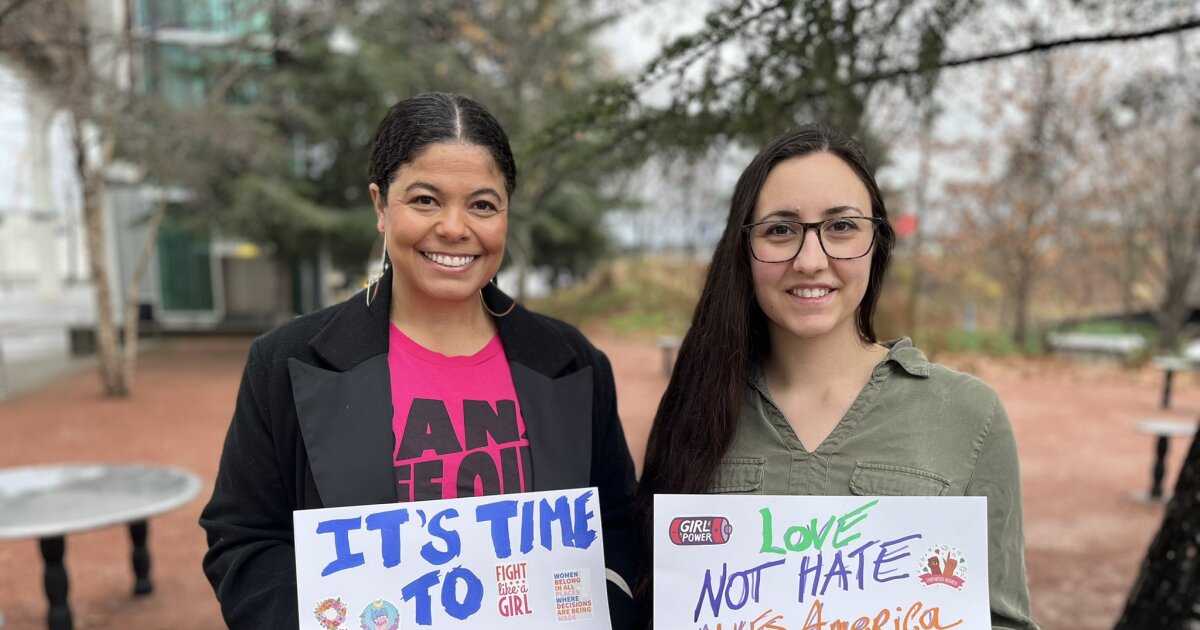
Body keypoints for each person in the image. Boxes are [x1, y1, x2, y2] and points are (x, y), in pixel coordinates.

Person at [200, 93, 639, 628]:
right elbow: (244, 542)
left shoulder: (573, 361)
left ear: (506, 214)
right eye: (425, 200)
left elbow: (617, 528)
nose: (455, 228)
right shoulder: (284, 362)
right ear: (381, 207)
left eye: (482, 204)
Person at [637, 124, 1037, 629]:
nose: (810, 260)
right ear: (744, 251)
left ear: (878, 243)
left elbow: (1002, 619)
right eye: (780, 230)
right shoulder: (695, 408)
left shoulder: (968, 415)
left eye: (841, 227)